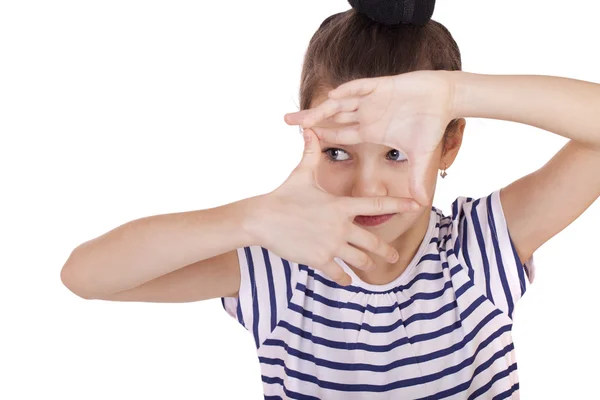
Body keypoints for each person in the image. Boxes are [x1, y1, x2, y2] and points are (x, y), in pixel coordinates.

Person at [60, 1, 600, 399]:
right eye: (339, 154)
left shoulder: (478, 252)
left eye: (395, 152)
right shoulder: (280, 267)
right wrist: (250, 220)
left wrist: (453, 92)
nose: (368, 188)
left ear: (449, 143)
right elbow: (85, 276)